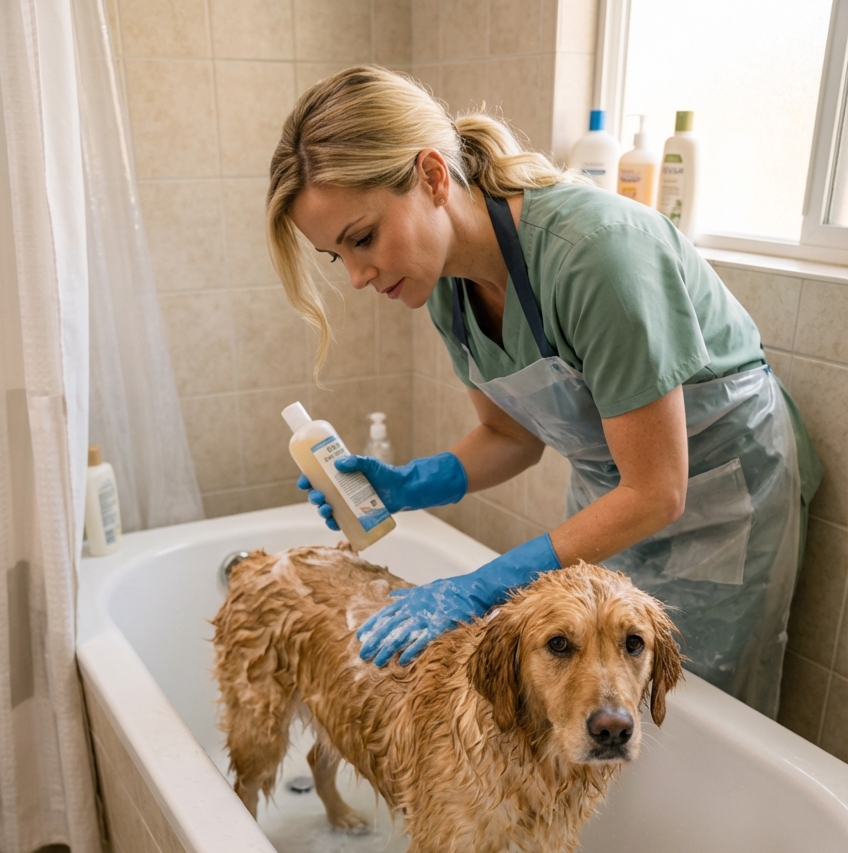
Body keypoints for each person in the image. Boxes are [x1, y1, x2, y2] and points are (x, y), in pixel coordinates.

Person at [266, 66, 821, 719]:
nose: (358, 276)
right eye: (338, 256)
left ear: (433, 177)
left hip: (719, 507)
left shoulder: (597, 254)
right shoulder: (446, 287)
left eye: (362, 238)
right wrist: (412, 484)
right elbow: (511, 437)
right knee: (591, 709)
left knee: (697, 718)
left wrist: (487, 585)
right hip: (613, 500)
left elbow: (656, 490)